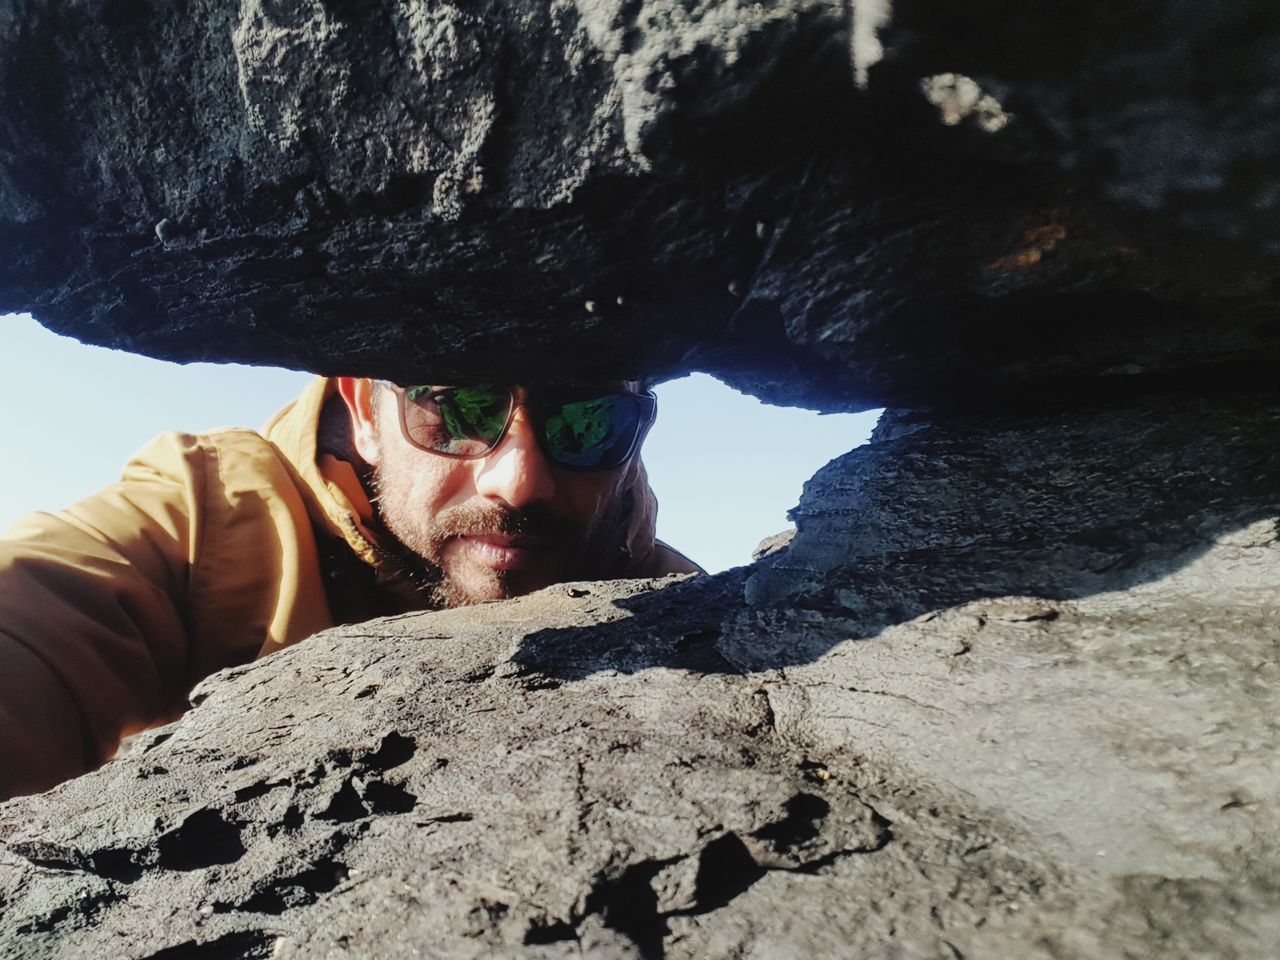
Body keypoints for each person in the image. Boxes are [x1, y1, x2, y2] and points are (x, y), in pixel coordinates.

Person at [0, 375, 699, 800]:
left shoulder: (676, 607)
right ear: (364, 411)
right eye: (458, 410)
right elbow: (35, 615)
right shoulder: (207, 512)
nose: (518, 481)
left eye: (588, 424)